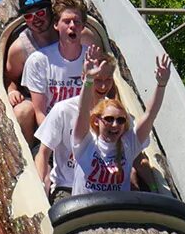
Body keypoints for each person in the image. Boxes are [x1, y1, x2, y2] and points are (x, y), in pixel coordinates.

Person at [64, 47, 170, 198]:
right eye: (108, 119)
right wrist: (88, 80)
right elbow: (82, 111)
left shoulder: (128, 144)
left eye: (120, 120)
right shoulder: (85, 143)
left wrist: (161, 85)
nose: (115, 125)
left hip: (117, 215)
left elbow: (150, 115)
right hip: (86, 213)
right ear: (96, 121)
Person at [35, 50, 117, 199]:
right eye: (98, 79)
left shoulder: (116, 115)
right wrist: (39, 185)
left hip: (103, 188)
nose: (104, 86)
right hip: (68, 187)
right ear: (84, 77)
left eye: (108, 80)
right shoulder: (63, 109)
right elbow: (43, 152)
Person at [20, 0, 89, 133]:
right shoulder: (38, 61)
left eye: (77, 22)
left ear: (83, 27)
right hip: (52, 130)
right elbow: (40, 113)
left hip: (84, 130)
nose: (72, 26)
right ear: (56, 25)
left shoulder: (92, 58)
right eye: (67, 21)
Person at [5, 0, 58, 141]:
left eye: (40, 13)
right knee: (22, 111)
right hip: (36, 101)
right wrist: (12, 91)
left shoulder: (66, 33)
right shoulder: (20, 47)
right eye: (29, 16)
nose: (36, 19)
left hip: (67, 94)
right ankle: (27, 157)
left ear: (50, 11)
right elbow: (9, 77)